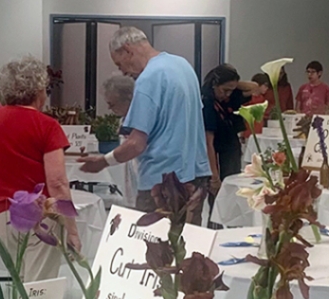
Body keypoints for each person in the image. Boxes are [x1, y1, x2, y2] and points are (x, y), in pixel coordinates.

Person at [79, 27, 210, 224]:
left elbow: (135, 144)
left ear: (127, 50)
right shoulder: (183, 66)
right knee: (188, 244)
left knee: (154, 249)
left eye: (119, 63)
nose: (122, 71)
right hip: (195, 175)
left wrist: (103, 162)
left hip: (162, 183)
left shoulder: (149, 78)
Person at [0, 57, 81, 281]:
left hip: (3, 214)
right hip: (41, 216)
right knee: (39, 289)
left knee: (19, 283)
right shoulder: (48, 126)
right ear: (39, 91)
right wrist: (72, 231)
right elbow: (58, 183)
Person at [202, 65, 257, 205]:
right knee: (218, 201)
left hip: (232, 151)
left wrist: (233, 83)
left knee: (232, 198)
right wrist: (214, 177)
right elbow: (208, 142)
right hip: (218, 156)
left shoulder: (230, 98)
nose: (227, 94)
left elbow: (254, 87)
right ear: (214, 85)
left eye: (231, 91)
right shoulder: (207, 103)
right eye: (225, 90)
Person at [101, 74, 139, 201]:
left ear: (127, 100)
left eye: (112, 104)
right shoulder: (123, 119)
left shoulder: (142, 117)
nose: (109, 108)